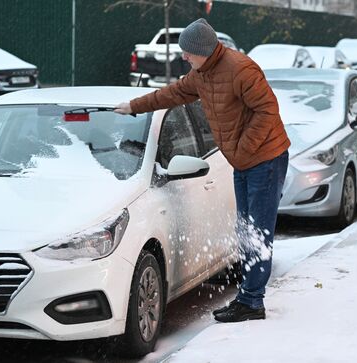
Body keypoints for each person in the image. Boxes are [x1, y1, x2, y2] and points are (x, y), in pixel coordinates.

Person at [114, 18, 290, 323]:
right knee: (245, 230)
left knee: (257, 233)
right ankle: (249, 297)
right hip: (244, 161)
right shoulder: (202, 74)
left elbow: (267, 110)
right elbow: (171, 94)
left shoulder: (241, 69)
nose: (183, 57)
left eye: (187, 52)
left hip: (265, 160)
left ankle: (252, 301)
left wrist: (243, 150)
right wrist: (133, 106)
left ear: (203, 50)